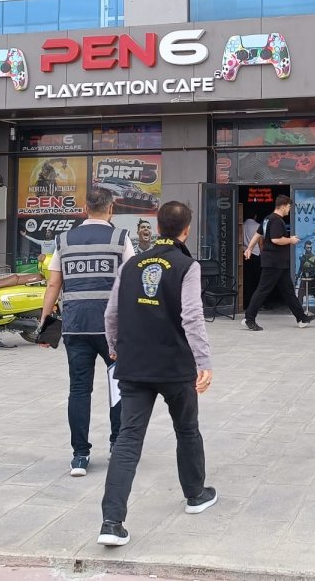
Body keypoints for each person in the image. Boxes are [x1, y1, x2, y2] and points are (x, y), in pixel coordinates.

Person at [98, 200, 215, 548]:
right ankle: (195, 494)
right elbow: (192, 316)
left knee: (128, 439)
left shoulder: (131, 264)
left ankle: (111, 522)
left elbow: (111, 313)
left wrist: (114, 347)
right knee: (187, 428)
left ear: (158, 226)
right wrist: (204, 361)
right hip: (175, 366)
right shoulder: (187, 265)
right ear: (186, 230)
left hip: (134, 365)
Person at [38, 187, 135, 477]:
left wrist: (44, 323)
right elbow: (132, 282)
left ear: (84, 208)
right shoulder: (121, 238)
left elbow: (53, 285)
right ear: (111, 209)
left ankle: (80, 456)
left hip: (76, 327)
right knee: (118, 387)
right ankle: (117, 445)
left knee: (79, 390)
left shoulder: (64, 240)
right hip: (113, 330)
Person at [243, 195, 313, 331]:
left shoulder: (267, 219)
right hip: (274, 262)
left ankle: (301, 318)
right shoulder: (276, 220)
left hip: (279, 263)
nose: (289, 209)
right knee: (262, 290)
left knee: (288, 291)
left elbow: (258, 234)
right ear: (283, 206)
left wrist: (249, 248)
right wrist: (291, 240)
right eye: (289, 207)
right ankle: (249, 318)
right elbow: (275, 239)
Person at [241, 212, 263, 312]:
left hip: (244, 254)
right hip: (255, 254)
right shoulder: (257, 225)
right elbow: (260, 243)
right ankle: (256, 304)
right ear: (255, 216)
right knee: (257, 281)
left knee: (247, 280)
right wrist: (263, 254)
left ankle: (245, 303)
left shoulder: (242, 225)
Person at [297, 239, 315, 311]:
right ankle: (299, 311)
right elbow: (300, 268)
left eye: (310, 248)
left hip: (313, 280)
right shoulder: (302, 257)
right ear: (305, 248)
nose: (309, 249)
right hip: (304, 279)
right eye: (307, 247)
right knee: (300, 295)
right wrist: (297, 278)